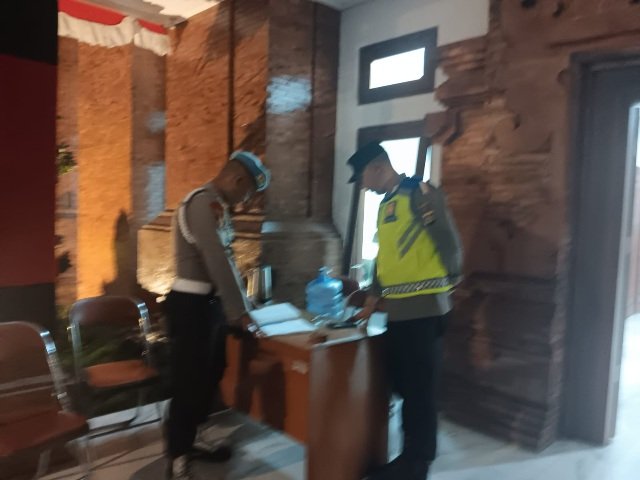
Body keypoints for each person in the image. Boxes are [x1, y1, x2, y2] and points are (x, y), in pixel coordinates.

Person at [347, 142, 463, 480]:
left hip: (425, 311)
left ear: (378, 168)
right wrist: (371, 300)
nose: (363, 186)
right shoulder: (387, 205)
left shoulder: (420, 194)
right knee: (405, 387)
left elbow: (448, 240)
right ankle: (407, 458)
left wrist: (451, 281)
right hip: (399, 313)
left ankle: (416, 465)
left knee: (419, 393)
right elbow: (385, 259)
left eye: (363, 178)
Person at [164, 151, 270, 480]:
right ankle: (178, 456)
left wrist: (244, 306)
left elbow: (228, 261)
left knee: (209, 375)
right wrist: (238, 312)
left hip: (209, 306)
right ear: (237, 180)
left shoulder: (217, 206)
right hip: (190, 305)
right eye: (248, 192)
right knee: (188, 382)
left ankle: (191, 439)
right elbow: (216, 260)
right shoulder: (201, 203)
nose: (247, 201)